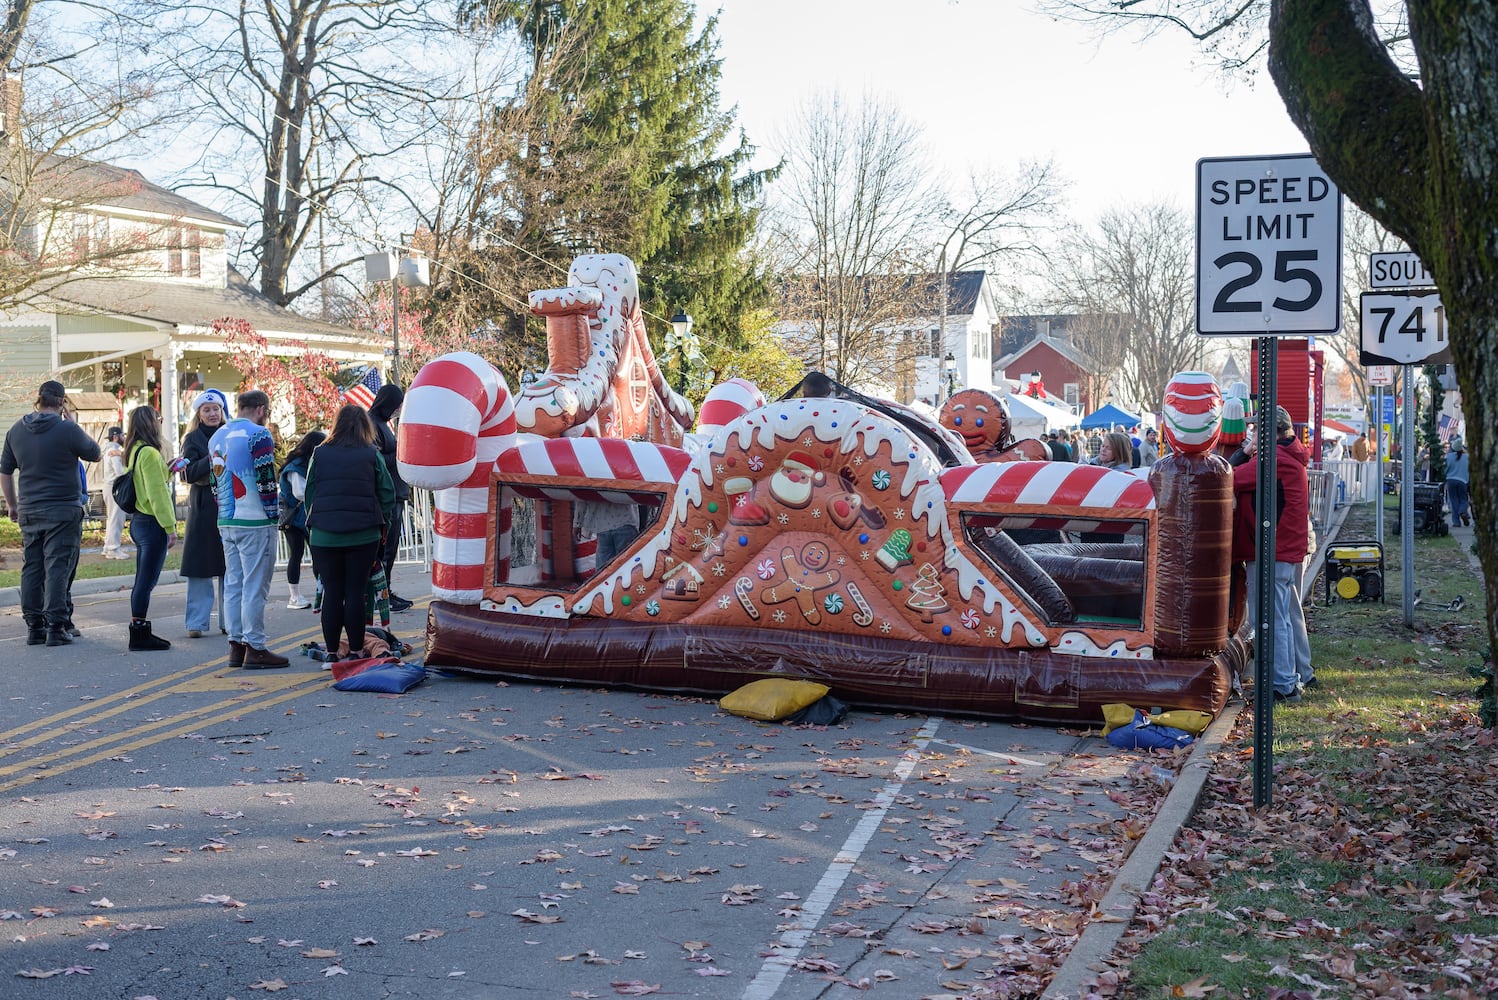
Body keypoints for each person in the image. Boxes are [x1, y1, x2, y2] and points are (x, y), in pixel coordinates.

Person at [0, 380, 101, 647]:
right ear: (61, 402)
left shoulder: (15, 431)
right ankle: (56, 626)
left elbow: (5, 471)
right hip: (63, 509)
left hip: (30, 510)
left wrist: (12, 504)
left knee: (32, 566)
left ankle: (34, 626)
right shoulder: (67, 429)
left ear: (38, 399)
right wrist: (72, 422)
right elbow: (95, 453)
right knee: (57, 566)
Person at [1230, 405, 1311, 705]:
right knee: (1282, 617)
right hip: (1282, 550)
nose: (1250, 434)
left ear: (1268, 432)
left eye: (1255, 430)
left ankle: (1282, 683)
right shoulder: (1287, 457)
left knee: (1270, 618)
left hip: (1271, 551)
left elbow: (1228, 476)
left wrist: (1244, 452)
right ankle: (1291, 678)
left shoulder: (1272, 459)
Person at [304, 405, 395, 662]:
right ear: (365, 428)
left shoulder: (319, 453)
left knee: (333, 591)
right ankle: (356, 652)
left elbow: (309, 493)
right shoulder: (371, 454)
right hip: (364, 533)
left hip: (324, 534)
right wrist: (381, 520)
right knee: (355, 592)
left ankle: (332, 653)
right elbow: (386, 493)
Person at [210, 389, 288, 669]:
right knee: (255, 585)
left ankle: (236, 645)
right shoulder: (259, 435)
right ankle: (255, 646)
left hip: (227, 519)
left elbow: (214, 481)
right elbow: (266, 479)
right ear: (261, 409)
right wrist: (273, 513)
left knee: (233, 583)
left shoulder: (216, 436)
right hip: (255, 520)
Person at [123, 405, 177, 651]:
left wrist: (168, 470)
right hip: (152, 521)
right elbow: (158, 495)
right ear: (152, 423)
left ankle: (139, 629)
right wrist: (170, 526)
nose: (161, 422)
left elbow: (145, 484)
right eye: (159, 418)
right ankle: (139, 633)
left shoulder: (134, 451)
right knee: (147, 581)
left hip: (137, 520)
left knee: (141, 579)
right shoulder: (151, 454)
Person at [179, 389, 228, 638]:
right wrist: (211, 460)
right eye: (207, 410)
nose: (212, 413)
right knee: (200, 569)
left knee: (228, 568)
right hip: (202, 509)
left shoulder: (229, 435)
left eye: (216, 409)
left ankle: (229, 621)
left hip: (228, 507)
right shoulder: (192, 439)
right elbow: (187, 474)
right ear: (198, 414)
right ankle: (196, 623)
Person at [368, 384, 414, 612]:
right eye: (396, 405)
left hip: (395, 493)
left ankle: (384, 591)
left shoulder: (381, 424)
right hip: (387, 496)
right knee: (385, 550)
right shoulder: (372, 425)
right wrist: (399, 453)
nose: (398, 409)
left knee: (390, 548)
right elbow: (374, 460)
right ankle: (380, 595)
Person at [278, 429, 326, 609]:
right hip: (295, 519)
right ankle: (294, 596)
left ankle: (321, 593)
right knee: (297, 555)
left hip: (304, 517)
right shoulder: (296, 466)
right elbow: (300, 492)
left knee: (316, 555)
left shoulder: (304, 463)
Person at [101, 426, 129, 559]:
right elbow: (120, 472)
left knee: (111, 517)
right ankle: (113, 548)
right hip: (115, 487)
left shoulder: (108, 449)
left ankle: (108, 546)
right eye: (123, 436)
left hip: (109, 486)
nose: (124, 438)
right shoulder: (114, 451)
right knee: (116, 518)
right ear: (116, 437)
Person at [1446, 435, 1470, 527]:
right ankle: (1463, 511)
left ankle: (1456, 522)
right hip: (1463, 481)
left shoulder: (1449, 457)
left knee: (1454, 500)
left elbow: (1446, 468)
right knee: (1464, 499)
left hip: (1451, 480)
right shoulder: (1466, 457)